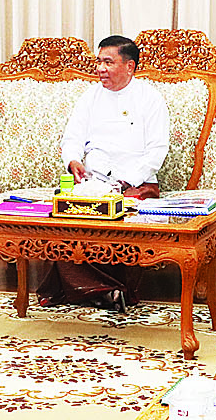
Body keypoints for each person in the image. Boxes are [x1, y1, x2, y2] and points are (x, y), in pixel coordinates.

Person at [36, 36, 170, 310]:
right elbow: (72, 138)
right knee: (65, 222)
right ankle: (107, 292)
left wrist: (126, 182)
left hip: (137, 185)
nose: (100, 68)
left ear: (129, 66)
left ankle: (88, 290)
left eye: (108, 62)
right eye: (99, 61)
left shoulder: (150, 98)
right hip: (94, 183)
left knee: (119, 224)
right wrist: (73, 160)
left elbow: (157, 151)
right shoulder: (90, 97)